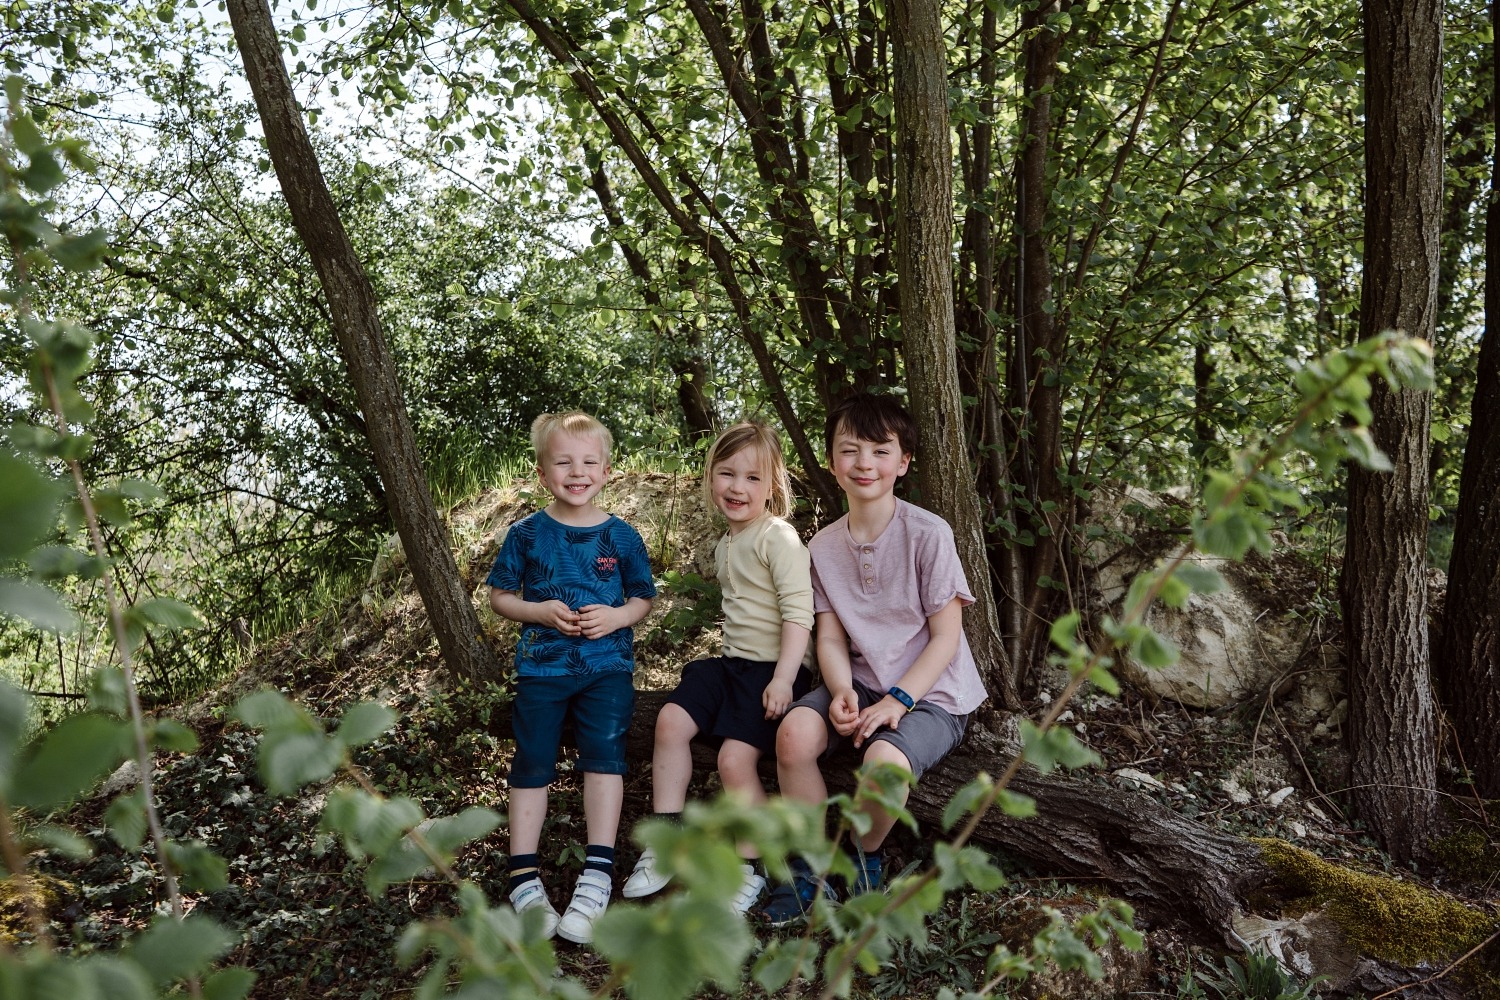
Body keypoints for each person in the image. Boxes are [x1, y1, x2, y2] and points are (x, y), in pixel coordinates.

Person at [760, 393, 988, 927]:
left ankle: (862, 859)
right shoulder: (820, 547)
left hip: (933, 693)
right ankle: (811, 863)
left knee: (883, 767)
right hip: (861, 682)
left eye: (881, 450)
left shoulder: (929, 534)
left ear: (903, 462)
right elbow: (832, 639)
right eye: (851, 450)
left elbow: (945, 638)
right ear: (832, 461)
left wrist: (898, 701)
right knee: (793, 734)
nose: (865, 463)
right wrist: (840, 689)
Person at [623, 422, 814, 914]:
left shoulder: (779, 537)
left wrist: (784, 679)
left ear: (772, 486)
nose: (737, 487)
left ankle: (751, 867)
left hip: (774, 670)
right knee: (669, 720)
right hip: (733, 666)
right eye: (726, 473)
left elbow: (799, 614)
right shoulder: (726, 543)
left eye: (753, 478)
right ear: (710, 477)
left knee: (733, 761)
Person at [487, 411, 656, 944]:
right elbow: (500, 596)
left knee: (604, 759)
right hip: (542, 669)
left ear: (606, 471)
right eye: (563, 462)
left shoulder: (623, 536)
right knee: (532, 760)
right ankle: (523, 880)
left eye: (588, 462)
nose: (576, 472)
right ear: (543, 472)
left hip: (606, 670)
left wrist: (617, 617)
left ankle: (597, 874)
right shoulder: (526, 533)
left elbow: (643, 597)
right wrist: (537, 612)